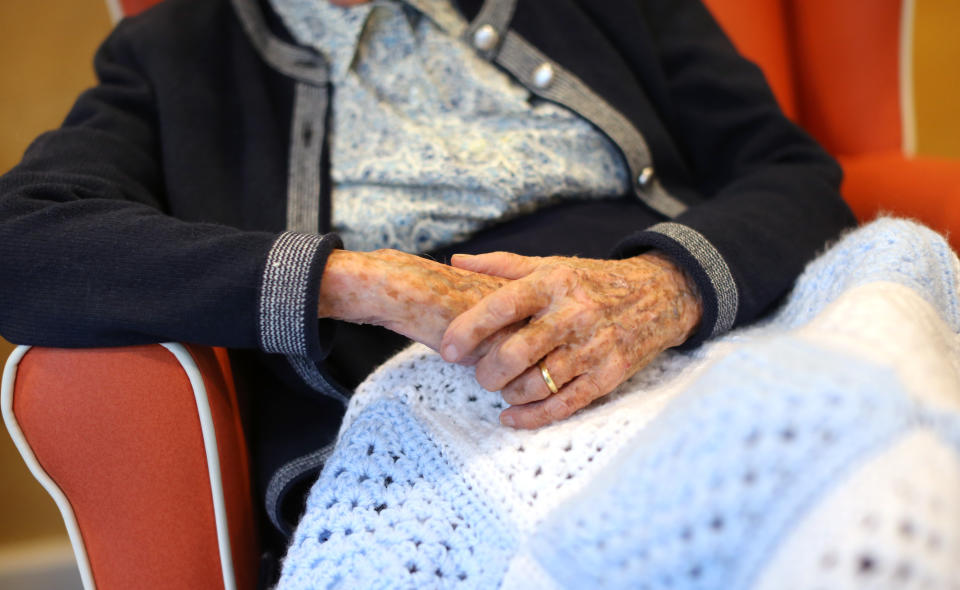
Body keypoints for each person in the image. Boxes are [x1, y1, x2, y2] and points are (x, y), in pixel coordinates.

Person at [0, 0, 855, 575]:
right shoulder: (181, 53)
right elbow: (24, 240)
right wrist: (354, 282)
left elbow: (792, 171)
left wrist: (662, 290)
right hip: (441, 401)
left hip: (708, 333)